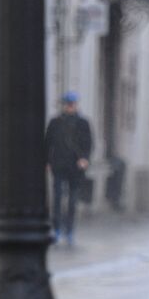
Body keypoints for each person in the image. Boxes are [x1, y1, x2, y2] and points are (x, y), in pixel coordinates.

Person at [44, 90, 93, 246]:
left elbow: (89, 144)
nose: (70, 107)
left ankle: (69, 230)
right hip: (58, 165)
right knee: (57, 198)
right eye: (68, 104)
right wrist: (47, 161)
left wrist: (85, 159)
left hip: (75, 167)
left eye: (72, 104)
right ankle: (56, 228)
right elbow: (47, 143)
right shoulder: (55, 122)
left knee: (72, 200)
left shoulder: (83, 123)